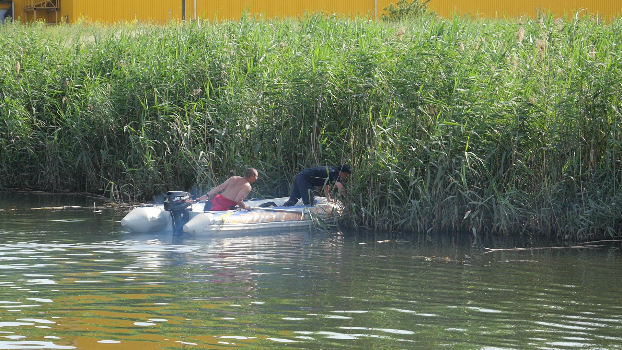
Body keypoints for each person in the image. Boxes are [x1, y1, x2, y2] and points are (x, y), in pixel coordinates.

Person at [283, 165, 351, 206]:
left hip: (299, 177)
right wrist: (347, 198)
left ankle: (280, 208)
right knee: (309, 203)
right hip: (305, 180)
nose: (346, 177)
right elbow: (339, 186)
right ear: (341, 173)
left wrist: (328, 198)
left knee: (292, 201)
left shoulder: (330, 171)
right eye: (346, 175)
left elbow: (326, 185)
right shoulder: (335, 174)